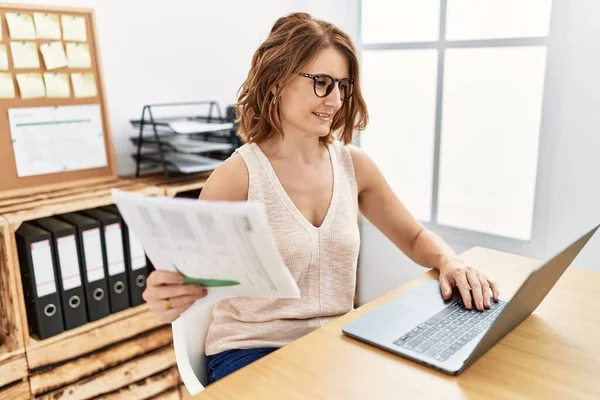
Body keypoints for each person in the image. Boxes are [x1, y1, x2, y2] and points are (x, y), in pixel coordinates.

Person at [142, 12, 500, 385]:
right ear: (277, 81)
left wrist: (449, 260)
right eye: (322, 83)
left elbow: (411, 237)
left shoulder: (354, 166)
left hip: (336, 345)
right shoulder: (237, 177)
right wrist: (164, 296)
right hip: (251, 351)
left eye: (343, 86)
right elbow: (185, 280)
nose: (335, 99)